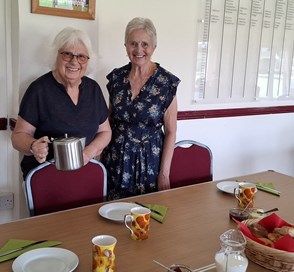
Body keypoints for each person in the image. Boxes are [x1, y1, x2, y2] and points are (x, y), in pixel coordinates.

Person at [11, 27, 111, 179]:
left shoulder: (93, 89)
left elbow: (105, 132)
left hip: (86, 174)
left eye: (81, 56)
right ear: (55, 55)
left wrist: (88, 153)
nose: (74, 61)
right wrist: (33, 146)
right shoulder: (39, 89)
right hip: (46, 176)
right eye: (67, 54)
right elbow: (18, 136)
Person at [102, 17, 180, 200]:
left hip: (150, 163)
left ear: (154, 47)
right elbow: (109, 121)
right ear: (126, 46)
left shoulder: (167, 82)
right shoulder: (116, 78)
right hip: (116, 161)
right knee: (114, 213)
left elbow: (171, 132)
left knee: (148, 214)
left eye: (145, 44)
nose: (138, 50)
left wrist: (164, 173)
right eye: (133, 44)